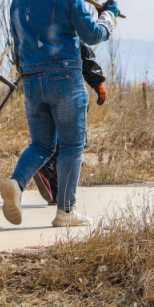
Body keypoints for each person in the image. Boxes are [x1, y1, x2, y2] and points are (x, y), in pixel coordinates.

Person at [0, 0, 118, 228]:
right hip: (65, 80)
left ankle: (16, 183)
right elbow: (92, 35)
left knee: (41, 144)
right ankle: (65, 211)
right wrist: (109, 17)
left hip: (32, 81)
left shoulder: (18, 1)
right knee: (71, 146)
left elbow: (18, 44)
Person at [31, 43, 108, 205]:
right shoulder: (67, 31)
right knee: (73, 142)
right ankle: (46, 168)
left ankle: (56, 192)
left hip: (39, 89)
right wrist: (98, 83)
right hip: (69, 89)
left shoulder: (34, 33)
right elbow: (84, 53)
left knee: (53, 137)